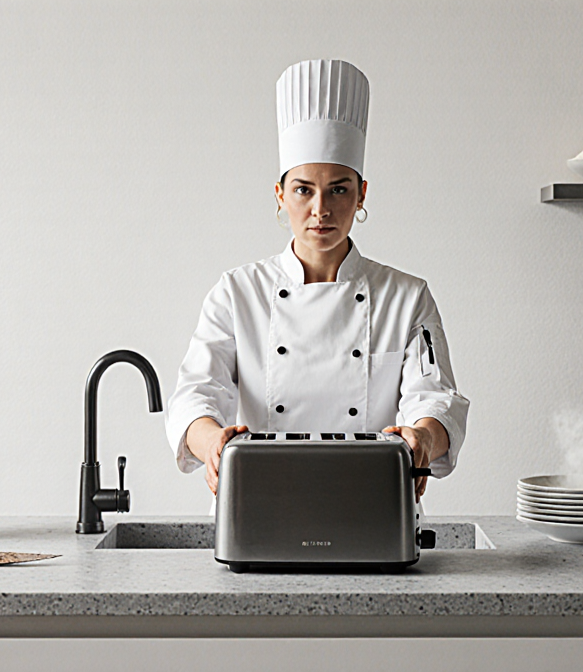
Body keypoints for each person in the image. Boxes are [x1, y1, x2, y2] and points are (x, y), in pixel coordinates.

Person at [165, 59, 468, 501]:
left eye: (339, 189)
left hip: (374, 509)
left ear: (361, 193)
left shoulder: (407, 296)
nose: (321, 209)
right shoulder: (236, 293)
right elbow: (195, 394)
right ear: (280, 195)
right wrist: (212, 442)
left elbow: (436, 398)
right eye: (304, 189)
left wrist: (424, 438)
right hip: (261, 507)